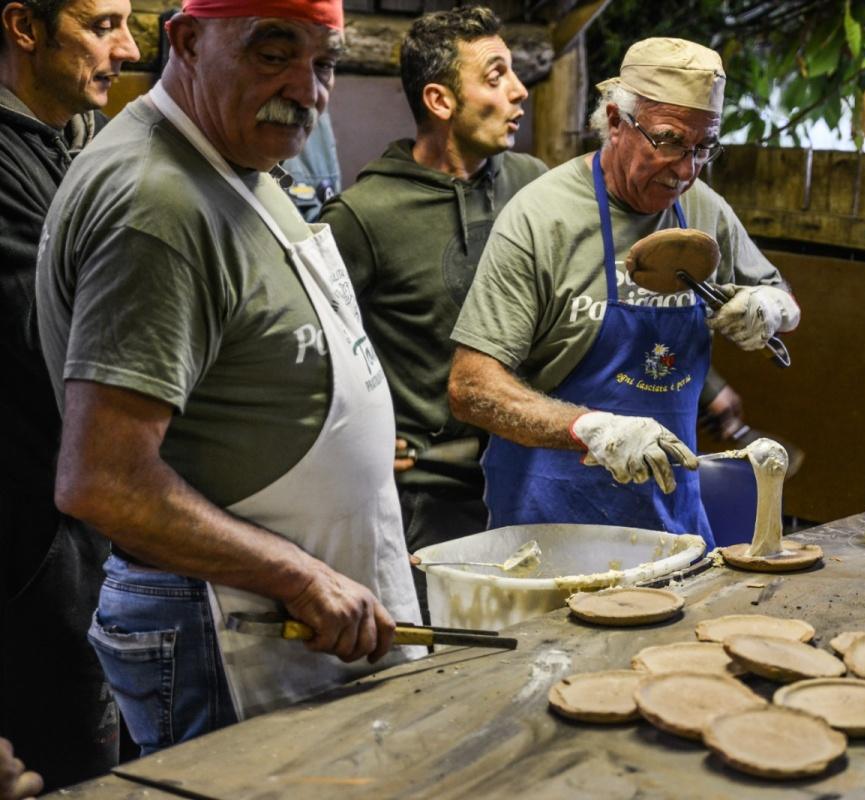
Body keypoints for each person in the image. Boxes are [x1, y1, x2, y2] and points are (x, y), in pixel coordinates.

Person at [36, 0, 420, 755]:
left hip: (276, 611)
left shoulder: (238, 154)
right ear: (185, 40)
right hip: (223, 625)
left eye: (325, 63)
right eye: (273, 54)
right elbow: (103, 479)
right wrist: (303, 576)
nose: (307, 89)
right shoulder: (159, 201)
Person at [447, 38, 800, 548]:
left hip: (670, 520)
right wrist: (590, 429)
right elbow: (471, 388)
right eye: (670, 141)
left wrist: (770, 308)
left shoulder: (704, 208)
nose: (687, 169)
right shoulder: (541, 218)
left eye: (705, 148)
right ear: (615, 121)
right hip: (550, 520)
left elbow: (783, 299)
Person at [320, 5, 545, 616]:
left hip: (536, 481)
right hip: (429, 503)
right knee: (448, 675)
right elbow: (310, 347)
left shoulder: (534, 186)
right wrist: (351, 436)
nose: (520, 91)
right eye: (496, 76)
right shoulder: (364, 217)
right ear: (441, 101)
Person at [0, 0, 138, 787]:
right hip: (35, 548)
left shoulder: (77, 145)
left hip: (88, 543)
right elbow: (67, 347)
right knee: (70, 766)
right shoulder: (6, 164)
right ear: (25, 28)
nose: (127, 46)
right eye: (102, 24)